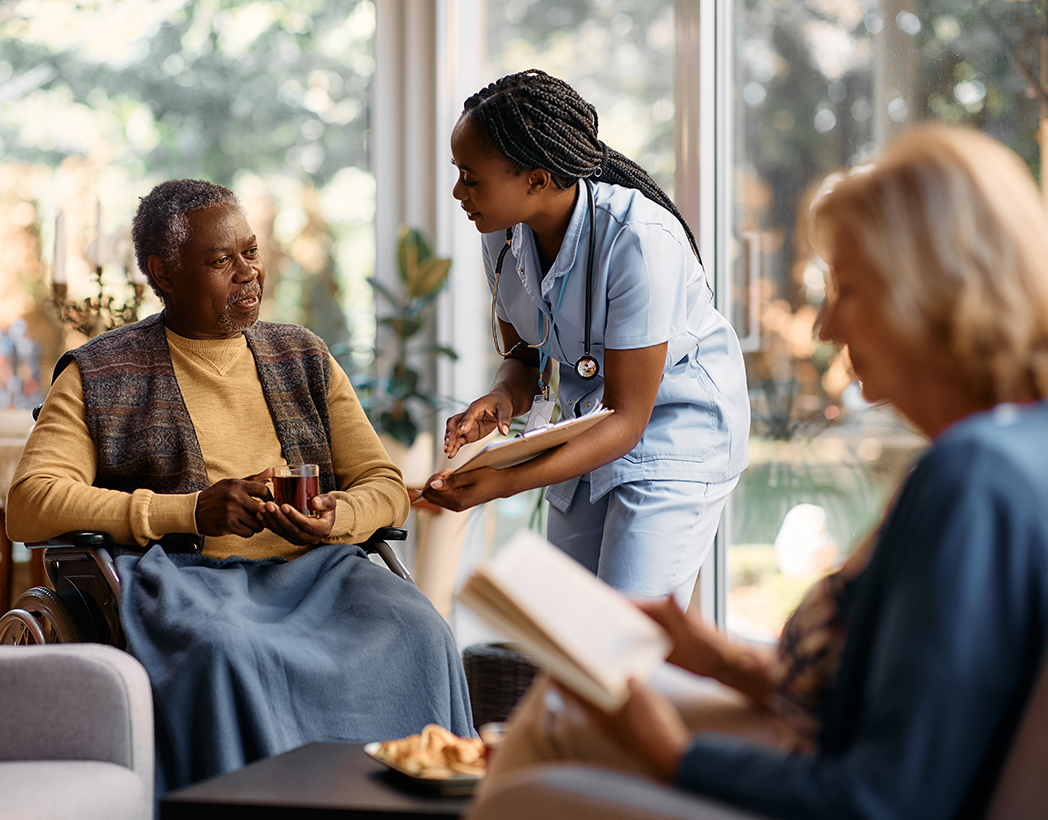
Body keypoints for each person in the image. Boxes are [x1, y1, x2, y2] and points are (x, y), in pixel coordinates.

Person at [468, 124, 1048, 820]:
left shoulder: (975, 479)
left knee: (549, 742)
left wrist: (672, 754)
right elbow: (904, 699)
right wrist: (726, 661)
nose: (828, 326)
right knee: (560, 707)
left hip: (825, 784)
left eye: (850, 289)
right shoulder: (1008, 451)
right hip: (804, 727)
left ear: (938, 294)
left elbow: (884, 797)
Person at [6, 179, 474, 795]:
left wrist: (335, 515)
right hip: (185, 581)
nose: (248, 273)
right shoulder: (97, 371)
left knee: (420, 630)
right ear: (163, 273)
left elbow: (383, 486)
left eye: (250, 252)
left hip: (320, 571)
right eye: (221, 261)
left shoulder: (303, 355)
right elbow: (29, 504)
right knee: (226, 650)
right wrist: (191, 511)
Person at [422, 70, 750, 606]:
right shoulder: (502, 233)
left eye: (471, 177)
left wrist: (503, 482)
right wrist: (502, 397)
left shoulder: (639, 240)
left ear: (537, 178)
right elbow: (526, 355)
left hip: (673, 432)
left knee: (622, 640)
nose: (459, 192)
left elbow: (628, 417)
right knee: (571, 637)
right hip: (590, 426)